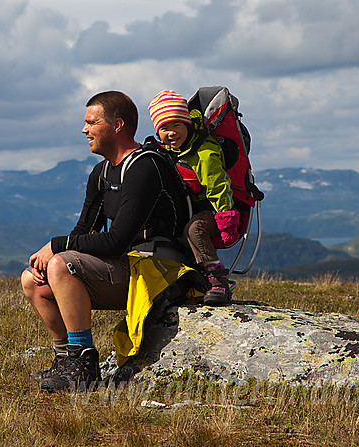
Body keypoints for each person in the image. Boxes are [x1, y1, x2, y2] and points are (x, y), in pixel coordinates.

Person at [21, 91, 191, 392]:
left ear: (117, 125)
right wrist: (54, 251)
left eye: (91, 122)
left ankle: (83, 365)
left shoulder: (145, 167)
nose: (84, 130)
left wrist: (56, 246)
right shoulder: (101, 173)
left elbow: (115, 241)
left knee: (61, 265)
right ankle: (65, 360)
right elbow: (84, 229)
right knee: (32, 280)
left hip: (162, 271)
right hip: (133, 268)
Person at [148, 90, 239, 306]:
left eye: (176, 125)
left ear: (187, 124)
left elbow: (218, 186)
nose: (171, 133)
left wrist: (226, 219)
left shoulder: (204, 153)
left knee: (194, 230)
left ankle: (218, 281)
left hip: (213, 209)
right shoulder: (168, 153)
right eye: (164, 128)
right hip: (188, 208)